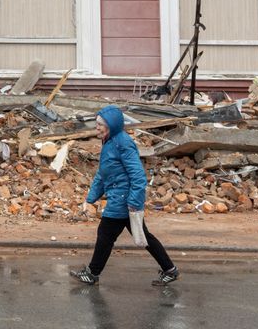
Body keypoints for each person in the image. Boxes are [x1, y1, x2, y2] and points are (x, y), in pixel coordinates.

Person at [70, 105, 179, 287]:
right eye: (96, 124)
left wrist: (134, 203)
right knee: (143, 235)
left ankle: (92, 274)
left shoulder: (123, 143)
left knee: (105, 234)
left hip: (123, 200)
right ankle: (170, 270)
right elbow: (102, 173)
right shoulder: (109, 141)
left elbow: (138, 176)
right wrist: (91, 197)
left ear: (111, 125)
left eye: (100, 124)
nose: (96, 127)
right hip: (120, 197)